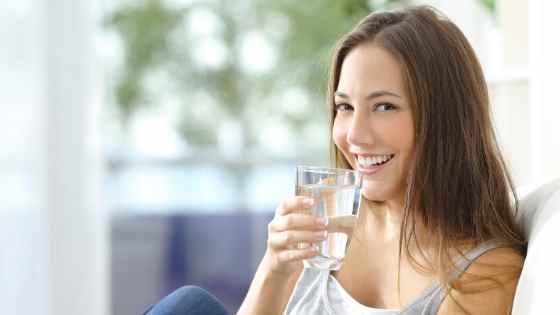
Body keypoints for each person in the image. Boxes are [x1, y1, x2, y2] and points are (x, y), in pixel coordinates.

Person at [145, 5, 525, 315]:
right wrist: (275, 269)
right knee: (189, 304)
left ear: (444, 118)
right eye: (344, 107)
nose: (354, 135)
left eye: (384, 106)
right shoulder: (325, 227)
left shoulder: (485, 272)